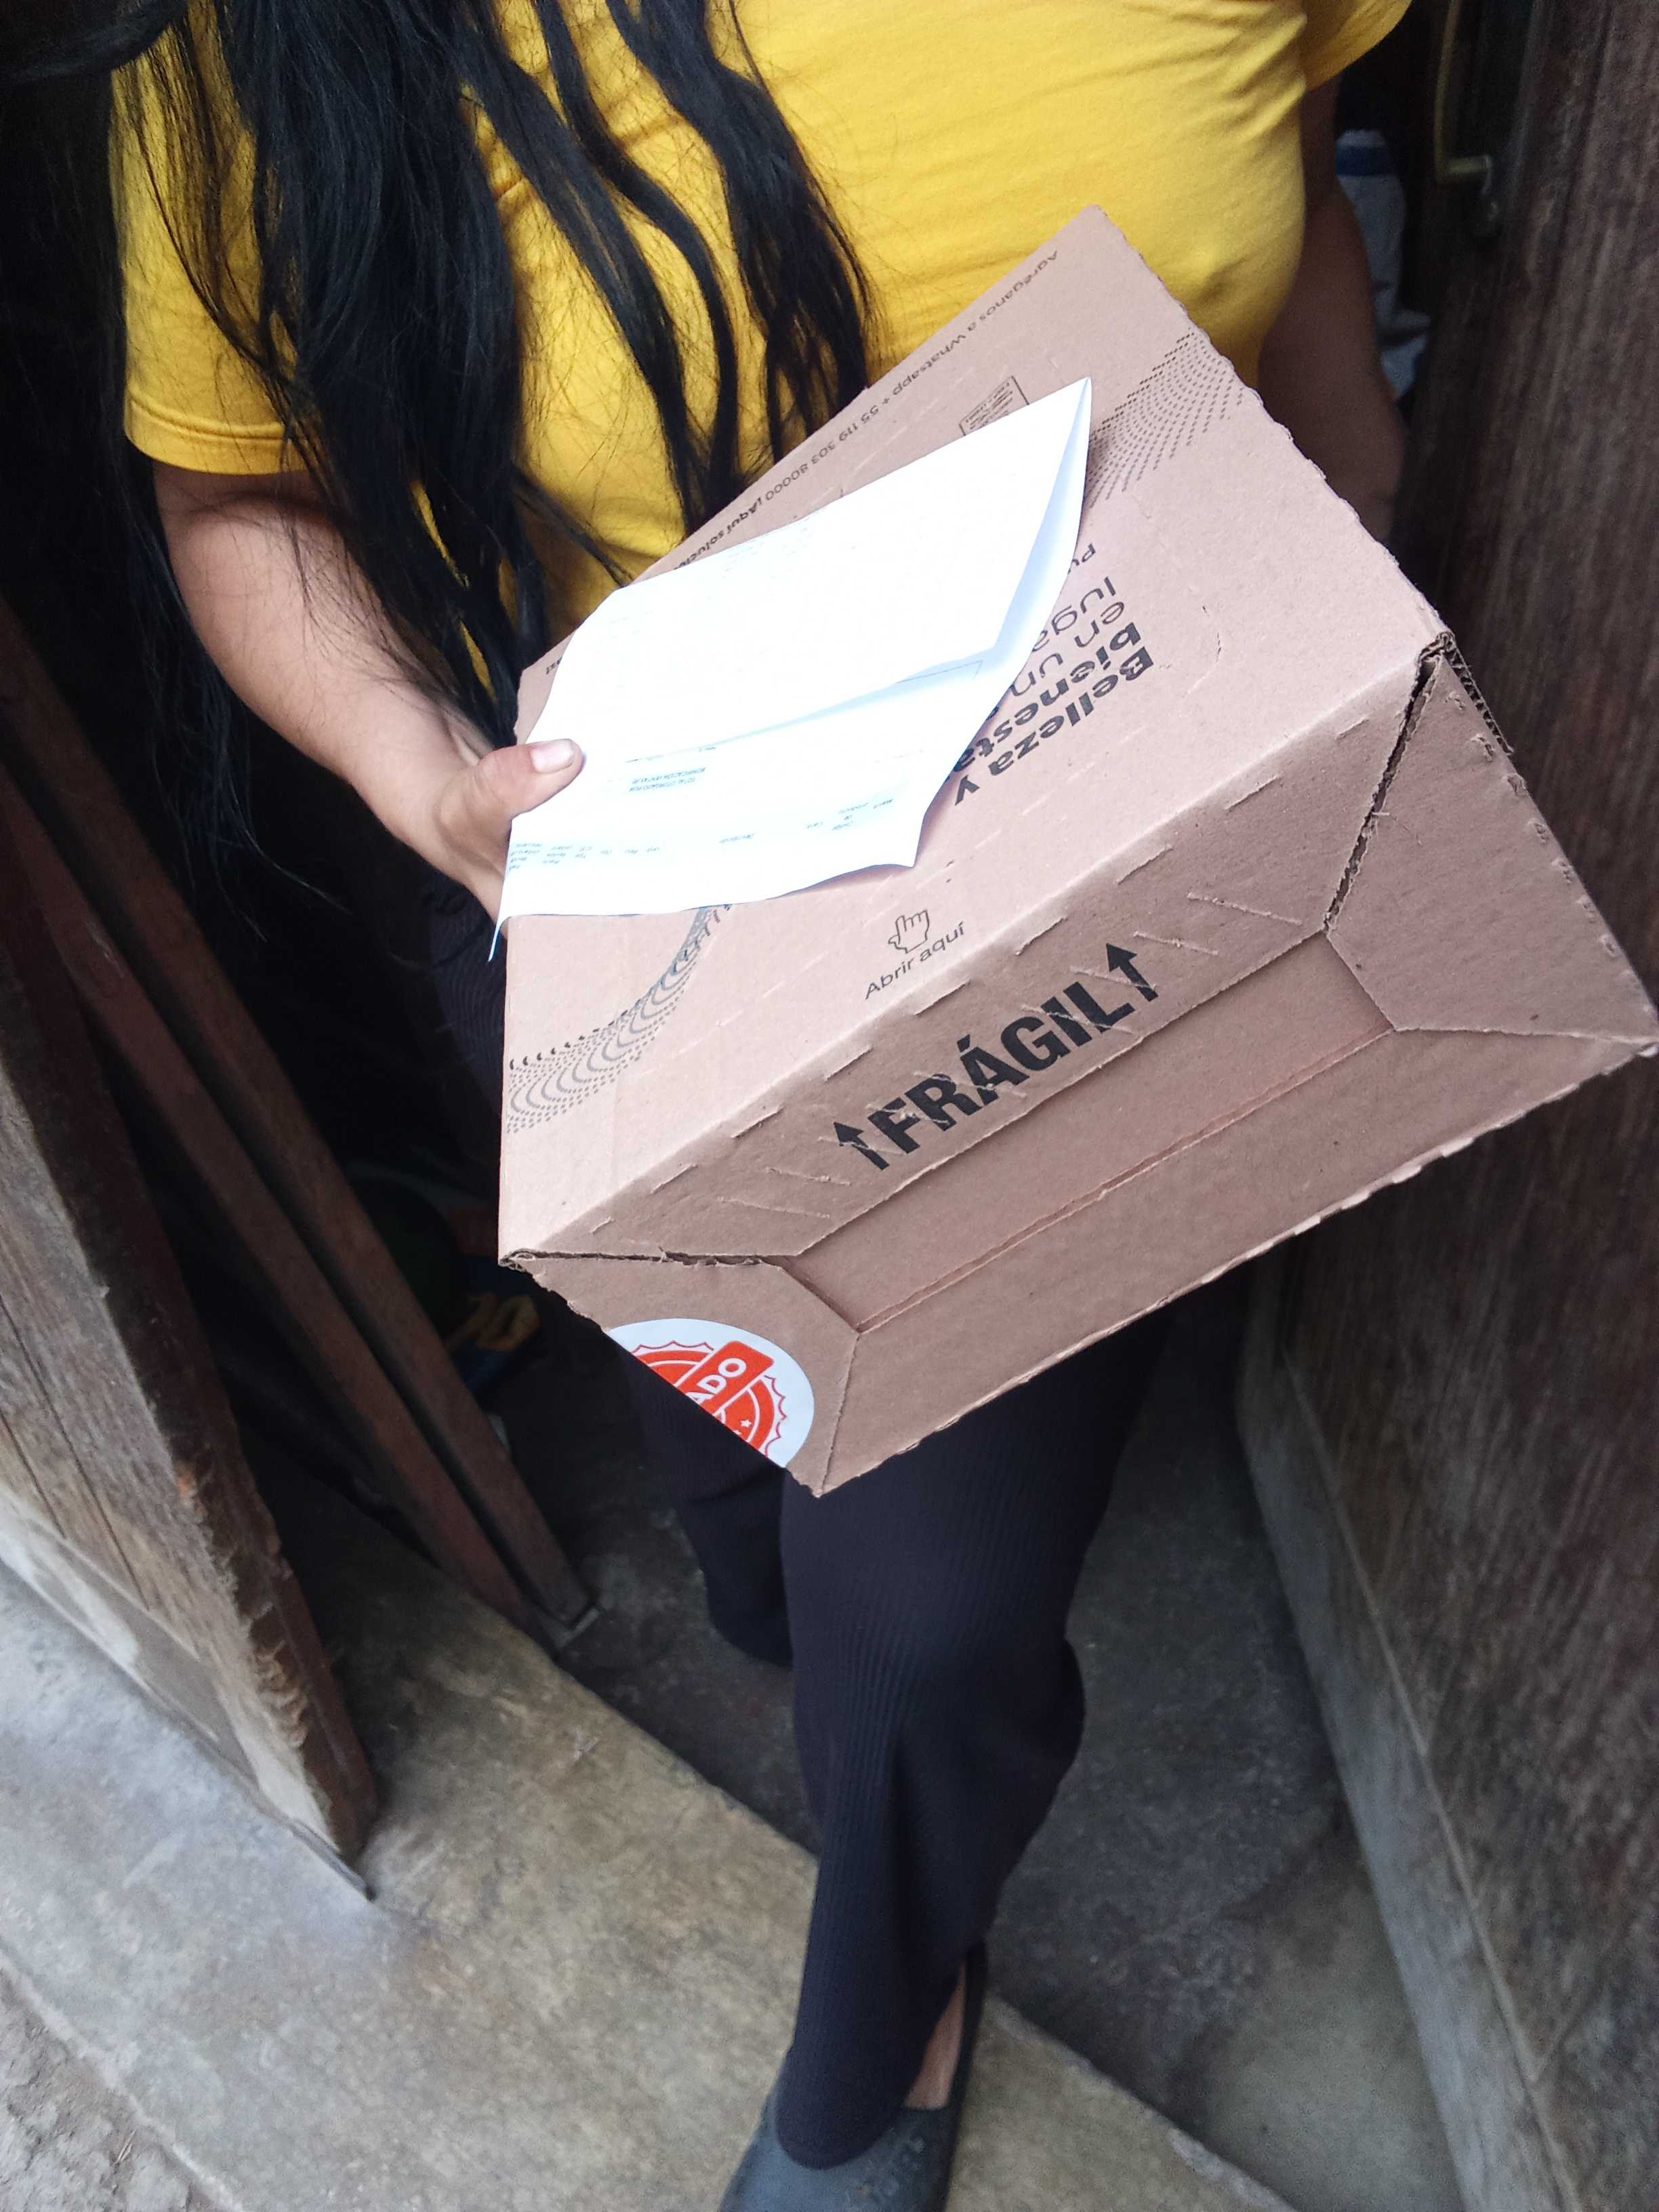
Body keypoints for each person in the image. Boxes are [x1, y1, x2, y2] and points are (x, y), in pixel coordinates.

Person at [94, 1, 1410, 2201]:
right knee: (738, 1480)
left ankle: (875, 2034)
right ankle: (779, 1610)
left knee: (931, 1617)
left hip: (1094, 876)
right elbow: (234, 489)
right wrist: (421, 772)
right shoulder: (249, 48)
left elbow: (1301, 221)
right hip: (626, 898)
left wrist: (1364, 560)